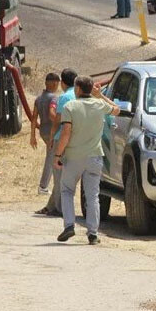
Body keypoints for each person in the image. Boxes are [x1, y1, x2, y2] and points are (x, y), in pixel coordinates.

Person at [54, 76, 120, 245]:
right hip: (94, 157)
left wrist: (57, 155)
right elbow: (116, 110)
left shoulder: (70, 106)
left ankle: (69, 225)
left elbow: (66, 133)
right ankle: (93, 233)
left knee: (67, 190)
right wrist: (100, 96)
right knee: (93, 196)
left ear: (77, 89)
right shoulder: (99, 105)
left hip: (74, 157)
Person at [36, 68, 77, 217]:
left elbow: (57, 119)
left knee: (58, 174)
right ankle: (51, 206)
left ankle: (60, 208)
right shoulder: (79, 95)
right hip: (77, 139)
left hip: (61, 137)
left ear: (63, 83)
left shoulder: (64, 97)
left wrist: (52, 137)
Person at [31, 72, 60, 195]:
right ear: (54, 83)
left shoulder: (38, 98)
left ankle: (47, 185)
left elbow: (34, 118)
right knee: (51, 158)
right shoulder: (54, 98)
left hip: (43, 131)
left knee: (51, 156)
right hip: (52, 132)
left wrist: (32, 136)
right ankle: (43, 186)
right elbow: (51, 114)